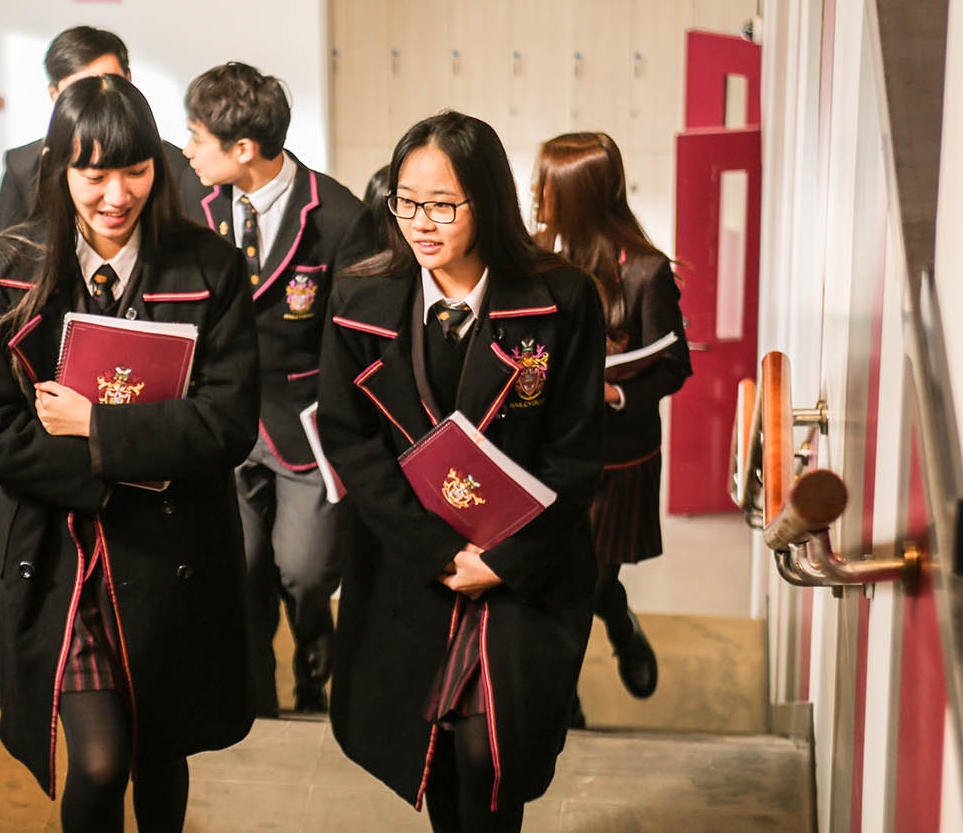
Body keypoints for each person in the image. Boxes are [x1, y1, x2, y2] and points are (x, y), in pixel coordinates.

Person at [0, 73, 260, 833]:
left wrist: (98, 429)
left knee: (162, 746)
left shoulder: (210, 267)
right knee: (97, 762)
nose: (116, 195)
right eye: (93, 174)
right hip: (61, 554)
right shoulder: (7, 266)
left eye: (135, 170)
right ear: (58, 169)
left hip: (171, 552)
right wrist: (119, 472)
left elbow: (229, 424)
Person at [317, 110, 606, 832]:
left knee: (490, 749)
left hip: (523, 566)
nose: (422, 222)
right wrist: (439, 552)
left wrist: (503, 560)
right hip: (413, 561)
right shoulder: (360, 299)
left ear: (489, 200)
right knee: (435, 751)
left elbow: (576, 452)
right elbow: (351, 441)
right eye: (407, 202)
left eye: (443, 204)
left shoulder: (562, 299)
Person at [181, 61, 368, 717]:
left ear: (243, 149)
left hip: (303, 423)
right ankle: (256, 697)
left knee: (306, 570)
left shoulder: (338, 216)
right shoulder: (193, 203)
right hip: (222, 419)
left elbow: (356, 338)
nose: (186, 151)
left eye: (196, 137)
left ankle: (316, 646)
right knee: (241, 568)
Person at [533, 131, 692, 710]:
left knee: (587, 583)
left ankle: (570, 690)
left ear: (575, 195)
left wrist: (615, 393)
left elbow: (673, 367)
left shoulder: (646, 271)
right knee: (553, 578)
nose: (534, 193)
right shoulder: (535, 259)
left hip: (617, 460)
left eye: (545, 184)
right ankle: (604, 635)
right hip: (546, 454)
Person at [0, 25, 202, 232]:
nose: (99, 96)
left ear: (128, 80)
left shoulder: (177, 166)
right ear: (54, 94)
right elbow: (10, 246)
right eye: (80, 90)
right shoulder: (22, 167)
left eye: (136, 172)